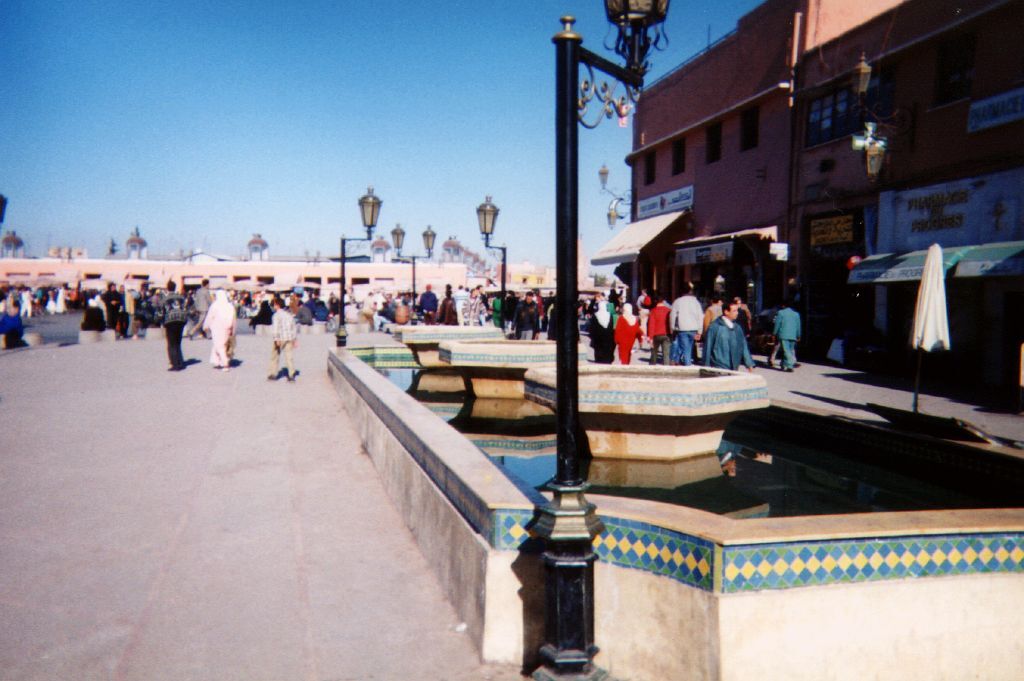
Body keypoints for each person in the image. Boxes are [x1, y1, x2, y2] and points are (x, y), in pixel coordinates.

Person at [703, 301, 754, 372]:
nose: (737, 313)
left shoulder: (737, 327)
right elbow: (708, 347)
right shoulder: (714, 327)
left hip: (734, 366)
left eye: (737, 310)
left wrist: (749, 363)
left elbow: (743, 346)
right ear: (726, 312)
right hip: (718, 365)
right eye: (734, 311)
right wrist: (706, 367)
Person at [670, 283, 704, 366]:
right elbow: (700, 316)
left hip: (682, 328)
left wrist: (672, 328)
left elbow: (672, 316)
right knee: (689, 348)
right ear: (690, 291)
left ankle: (687, 365)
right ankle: (686, 363)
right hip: (693, 329)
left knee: (685, 349)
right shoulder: (696, 302)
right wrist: (700, 331)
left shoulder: (677, 302)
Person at [203, 290, 237, 372]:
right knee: (222, 345)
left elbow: (210, 316)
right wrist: (233, 329)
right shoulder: (230, 306)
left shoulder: (215, 305)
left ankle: (225, 364)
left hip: (217, 328)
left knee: (219, 346)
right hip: (228, 328)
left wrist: (205, 326)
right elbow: (234, 319)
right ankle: (217, 361)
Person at [268, 296, 298, 382]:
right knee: (289, 356)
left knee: (275, 356)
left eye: (274, 305)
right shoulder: (289, 315)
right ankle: (291, 374)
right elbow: (293, 327)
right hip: (289, 338)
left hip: (280, 338)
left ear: (277, 305)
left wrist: (276, 339)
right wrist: (295, 339)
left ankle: (273, 374)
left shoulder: (276, 315)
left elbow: (276, 328)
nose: (273, 306)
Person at [162, 282, 188, 371]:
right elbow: (185, 308)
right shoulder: (181, 298)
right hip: (181, 320)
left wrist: (160, 320)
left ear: (167, 288)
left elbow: (161, 311)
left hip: (170, 321)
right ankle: (180, 362)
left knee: (171, 343)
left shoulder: (165, 298)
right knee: (178, 342)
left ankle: (175, 364)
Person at [773, 299, 802, 372]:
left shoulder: (780, 313)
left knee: (786, 351)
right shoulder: (796, 314)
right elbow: (798, 326)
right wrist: (798, 335)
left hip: (783, 334)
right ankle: (783, 364)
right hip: (793, 335)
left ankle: (789, 365)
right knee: (789, 350)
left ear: (783, 305)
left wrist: (774, 333)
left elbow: (777, 324)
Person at [647, 294, 672, 365]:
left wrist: (650, 338)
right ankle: (666, 369)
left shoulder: (653, 311)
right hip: (666, 334)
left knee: (654, 353)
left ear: (656, 301)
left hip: (656, 335)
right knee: (666, 354)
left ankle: (652, 366)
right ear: (663, 301)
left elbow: (651, 325)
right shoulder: (668, 310)